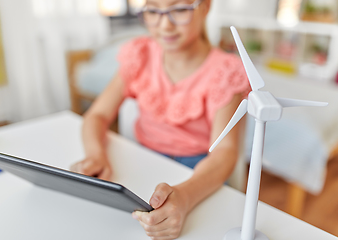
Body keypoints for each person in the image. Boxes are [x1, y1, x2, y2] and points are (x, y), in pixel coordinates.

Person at [70, 0, 250, 239]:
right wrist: (95, 154)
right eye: (153, 11)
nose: (165, 25)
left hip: (198, 174)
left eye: (179, 10)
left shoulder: (226, 71)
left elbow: (225, 151)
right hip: (142, 160)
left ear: (205, 7)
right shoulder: (140, 55)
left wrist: (185, 196)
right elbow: (98, 115)